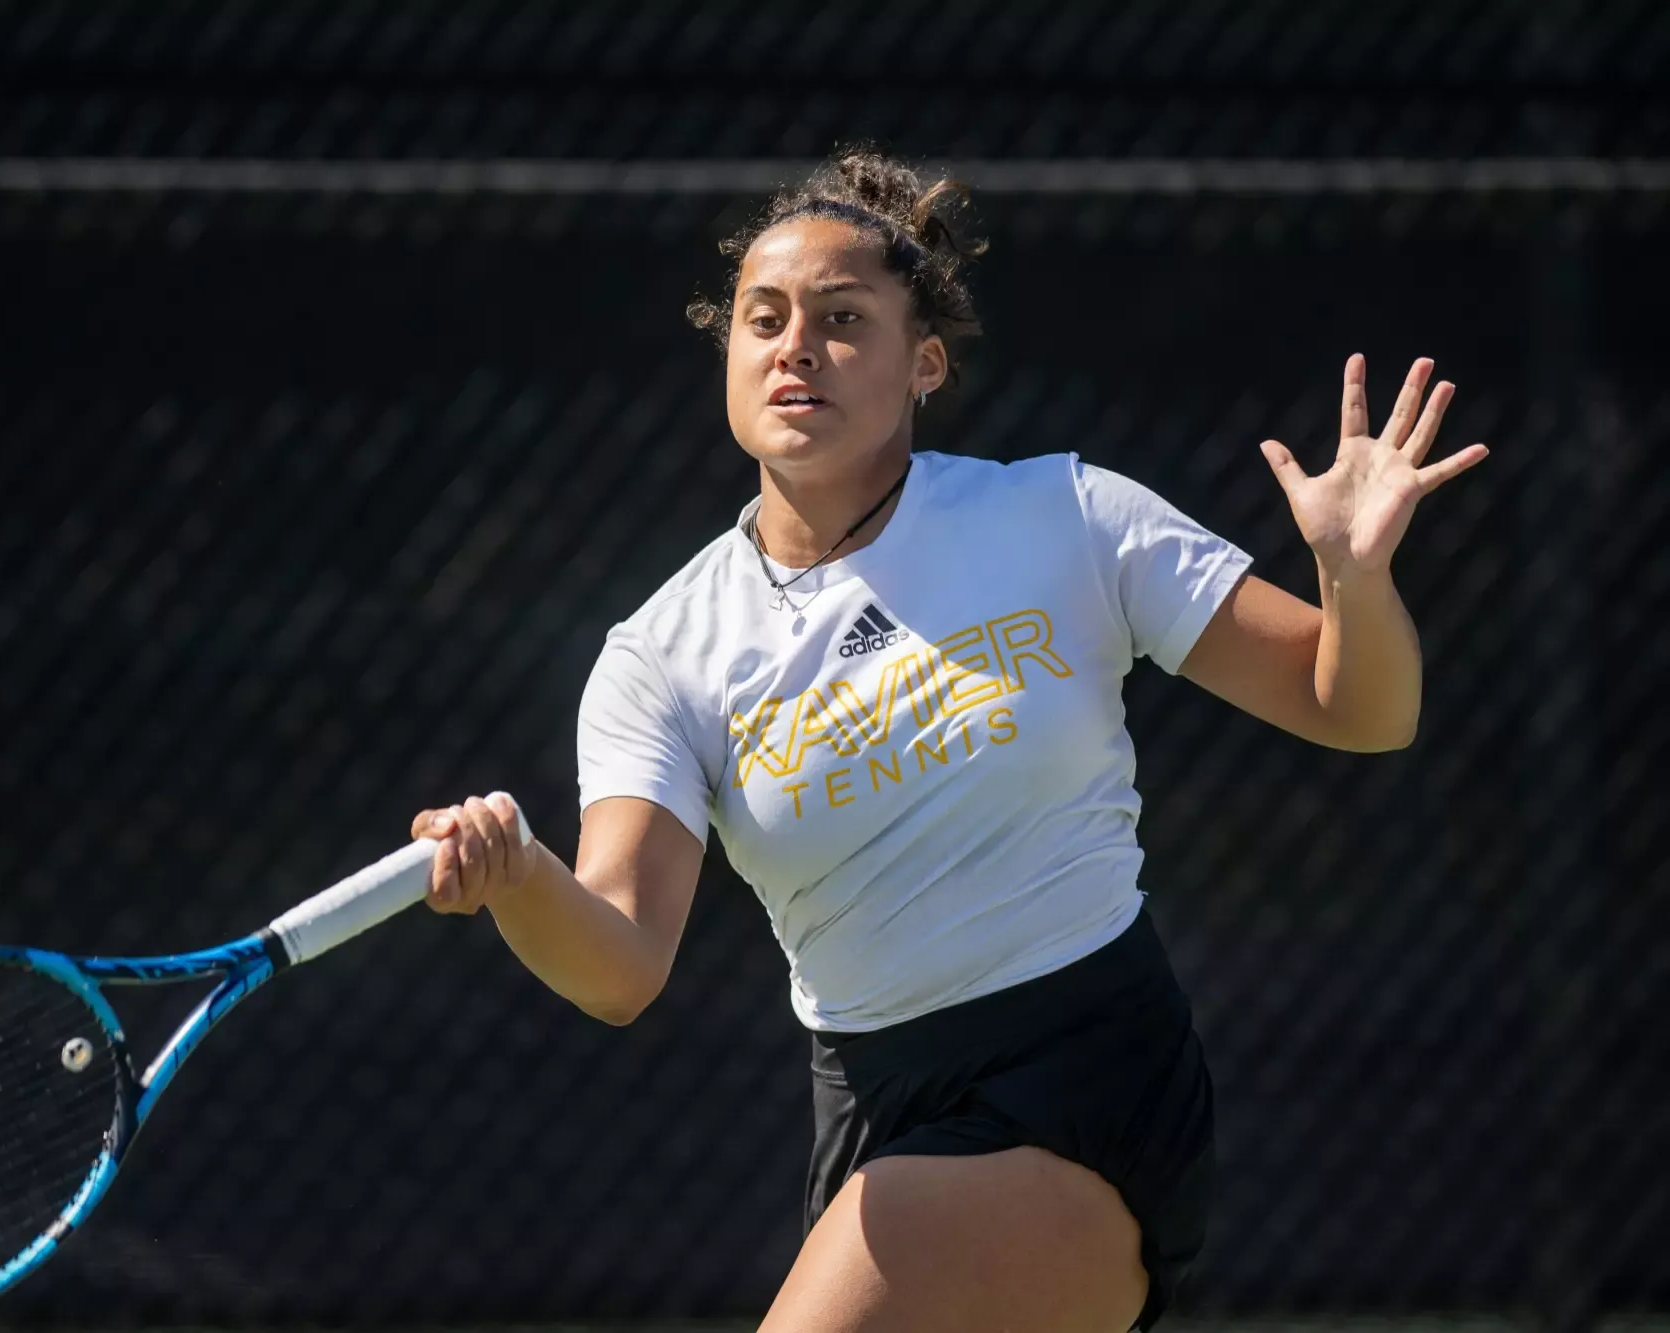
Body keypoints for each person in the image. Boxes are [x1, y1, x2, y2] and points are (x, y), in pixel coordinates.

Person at [407, 149, 1488, 1333]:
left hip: (1081, 1081)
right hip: (871, 1107)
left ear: (924, 362)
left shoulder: (1063, 515)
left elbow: (1359, 710)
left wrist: (1351, 573)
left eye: (842, 318)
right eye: (762, 320)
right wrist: (518, 879)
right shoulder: (660, 652)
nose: (794, 347)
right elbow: (618, 964)